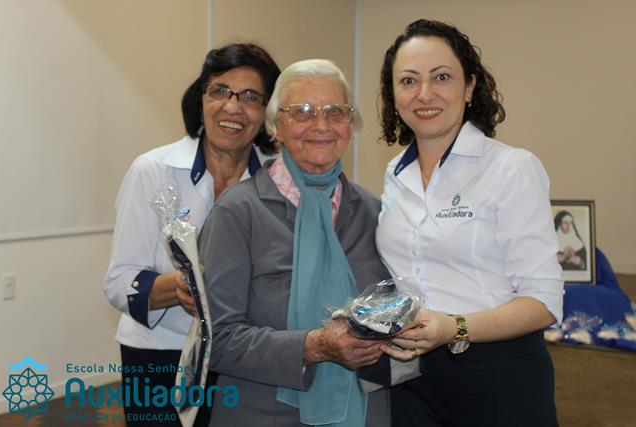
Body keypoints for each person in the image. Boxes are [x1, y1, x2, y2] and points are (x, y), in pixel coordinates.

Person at [375, 19, 564, 426]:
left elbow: (544, 302)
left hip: (499, 375)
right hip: (411, 378)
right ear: (393, 94)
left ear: (470, 86)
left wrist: (454, 328)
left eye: (441, 77)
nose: (424, 93)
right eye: (408, 80)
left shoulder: (511, 168)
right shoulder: (396, 173)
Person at [198, 59, 391, 427]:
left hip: (364, 413)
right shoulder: (237, 213)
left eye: (335, 111)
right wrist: (314, 346)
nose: (321, 125)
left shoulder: (374, 212)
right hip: (263, 415)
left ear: (350, 127)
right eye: (302, 111)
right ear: (276, 127)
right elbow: (217, 340)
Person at [103, 43, 280, 426]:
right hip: (158, 355)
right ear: (200, 100)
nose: (233, 107)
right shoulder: (152, 170)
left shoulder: (278, 178)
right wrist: (180, 286)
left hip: (244, 356)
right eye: (220, 91)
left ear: (268, 112)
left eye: (251, 96)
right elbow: (118, 283)